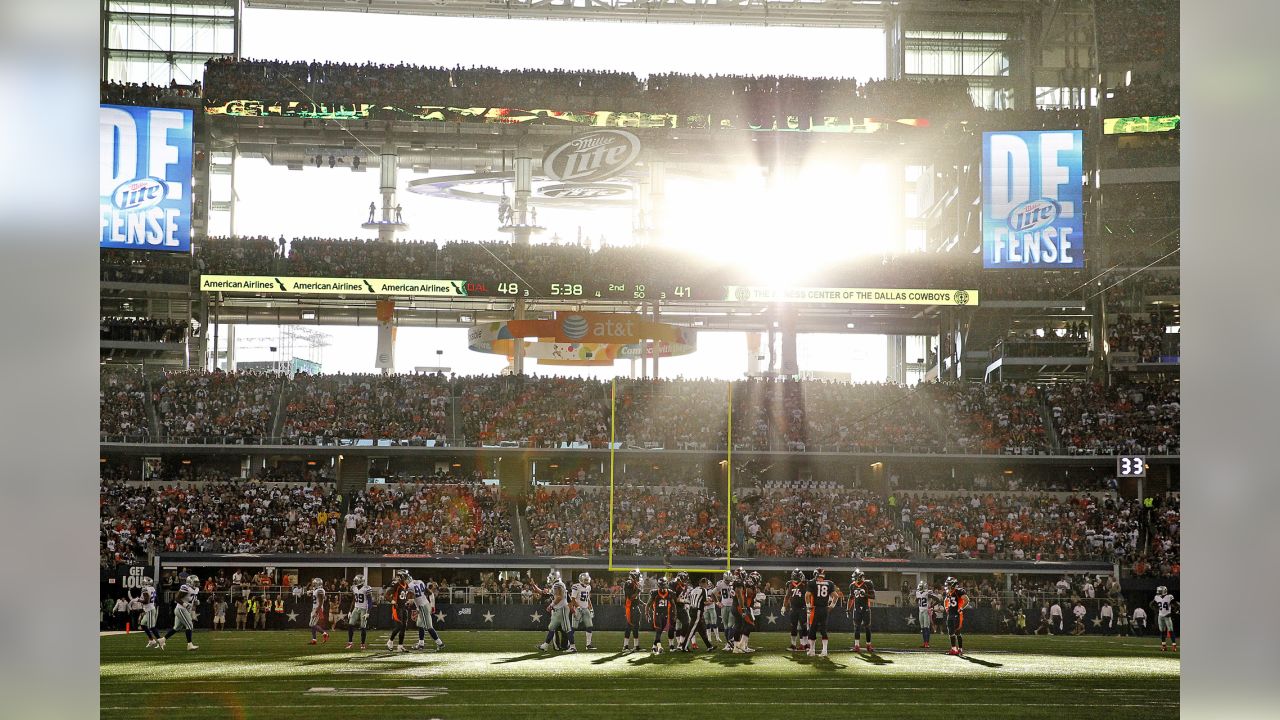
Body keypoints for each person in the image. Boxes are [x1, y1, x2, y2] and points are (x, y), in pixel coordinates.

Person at [537, 570, 574, 653]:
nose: (549, 579)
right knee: (552, 627)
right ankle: (545, 646)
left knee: (567, 628)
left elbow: (559, 597)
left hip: (562, 608)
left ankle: (572, 647)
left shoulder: (557, 584)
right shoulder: (557, 584)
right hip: (558, 609)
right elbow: (546, 593)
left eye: (550, 578)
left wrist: (551, 605)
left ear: (554, 577)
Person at [160, 573, 199, 651]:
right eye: (195, 582)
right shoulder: (185, 587)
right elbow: (177, 599)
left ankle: (162, 640)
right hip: (181, 609)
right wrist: (185, 605)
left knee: (176, 628)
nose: (197, 583)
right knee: (190, 625)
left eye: (197, 582)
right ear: (190, 582)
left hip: (185, 610)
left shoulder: (196, 589)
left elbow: (192, 599)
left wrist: (196, 602)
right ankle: (189, 645)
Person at [805, 567, 838, 657]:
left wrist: (808, 606)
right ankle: (824, 651)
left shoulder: (812, 582)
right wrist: (831, 606)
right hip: (824, 609)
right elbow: (836, 596)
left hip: (815, 609)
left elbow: (807, 595)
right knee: (823, 630)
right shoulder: (830, 583)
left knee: (812, 630)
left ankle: (812, 650)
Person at [409, 575, 445, 651]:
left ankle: (440, 643)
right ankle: (421, 644)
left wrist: (408, 601)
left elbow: (411, 599)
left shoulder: (410, 586)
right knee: (420, 625)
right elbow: (429, 593)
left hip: (422, 607)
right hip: (425, 604)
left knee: (429, 626)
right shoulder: (420, 582)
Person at [682, 576, 715, 652]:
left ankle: (709, 646)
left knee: (702, 630)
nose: (707, 585)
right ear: (704, 584)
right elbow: (704, 602)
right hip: (697, 611)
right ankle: (684, 646)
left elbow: (691, 600)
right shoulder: (703, 590)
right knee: (691, 630)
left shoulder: (694, 590)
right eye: (706, 584)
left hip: (692, 610)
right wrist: (712, 601)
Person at [846, 568, 876, 652]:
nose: (854, 579)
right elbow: (851, 598)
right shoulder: (852, 585)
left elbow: (873, 596)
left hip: (866, 608)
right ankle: (856, 646)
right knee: (856, 627)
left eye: (856, 577)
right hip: (857, 608)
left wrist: (865, 594)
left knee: (867, 627)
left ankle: (868, 645)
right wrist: (848, 609)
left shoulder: (868, 583)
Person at [783, 568, 809, 651]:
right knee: (793, 627)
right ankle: (793, 645)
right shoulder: (789, 584)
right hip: (793, 608)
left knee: (804, 626)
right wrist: (784, 606)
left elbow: (809, 595)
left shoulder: (806, 583)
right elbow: (787, 596)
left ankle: (805, 645)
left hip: (803, 607)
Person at [386, 570, 411, 652]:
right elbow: (386, 595)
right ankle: (390, 641)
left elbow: (405, 596)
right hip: (397, 607)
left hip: (404, 608)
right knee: (399, 625)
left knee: (404, 627)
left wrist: (407, 601)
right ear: (402, 576)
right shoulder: (396, 585)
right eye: (405, 576)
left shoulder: (406, 585)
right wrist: (391, 601)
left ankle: (400, 646)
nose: (407, 578)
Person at [569, 572, 595, 651]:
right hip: (577, 609)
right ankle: (570, 645)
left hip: (585, 608)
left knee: (589, 626)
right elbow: (573, 599)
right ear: (581, 580)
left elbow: (588, 598)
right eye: (585, 580)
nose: (587, 581)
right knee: (573, 627)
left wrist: (591, 608)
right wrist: (578, 607)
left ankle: (588, 644)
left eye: (587, 580)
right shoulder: (576, 586)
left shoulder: (588, 587)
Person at [649, 577, 675, 654]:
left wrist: (675, 613)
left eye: (664, 585)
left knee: (659, 631)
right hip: (657, 614)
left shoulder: (669, 592)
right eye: (661, 585)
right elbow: (648, 604)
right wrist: (647, 612)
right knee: (658, 630)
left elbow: (673, 604)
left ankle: (654, 647)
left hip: (665, 615)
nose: (663, 587)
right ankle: (659, 647)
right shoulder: (655, 593)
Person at [943, 576, 968, 656]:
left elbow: (967, 600)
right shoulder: (949, 592)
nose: (947, 586)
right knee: (952, 632)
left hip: (957, 614)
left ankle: (958, 649)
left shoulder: (959, 591)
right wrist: (946, 607)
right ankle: (955, 649)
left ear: (953, 584)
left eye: (949, 584)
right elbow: (945, 600)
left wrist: (961, 608)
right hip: (951, 614)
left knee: (956, 632)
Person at [346, 573, 372, 650]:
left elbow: (370, 601)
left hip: (364, 609)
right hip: (356, 608)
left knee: (363, 627)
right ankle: (350, 642)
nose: (355, 582)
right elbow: (354, 600)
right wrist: (350, 611)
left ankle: (363, 644)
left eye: (356, 581)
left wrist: (368, 612)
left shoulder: (366, 588)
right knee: (350, 624)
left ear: (361, 581)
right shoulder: (354, 588)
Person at [714, 570, 736, 651]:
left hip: (732, 606)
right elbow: (713, 593)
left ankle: (730, 642)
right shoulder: (720, 583)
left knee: (730, 625)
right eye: (726, 580)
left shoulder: (734, 583)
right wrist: (717, 602)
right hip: (724, 606)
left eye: (729, 580)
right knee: (726, 626)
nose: (728, 582)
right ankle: (728, 643)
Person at [622, 569, 643, 652]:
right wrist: (637, 591)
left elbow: (636, 598)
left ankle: (636, 646)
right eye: (637, 576)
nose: (639, 577)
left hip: (635, 606)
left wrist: (644, 604)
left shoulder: (634, 583)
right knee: (629, 626)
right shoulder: (629, 583)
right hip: (630, 607)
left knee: (636, 626)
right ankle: (625, 646)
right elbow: (630, 597)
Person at [1152, 585, 1178, 651]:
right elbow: (1151, 604)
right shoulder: (1157, 597)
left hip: (1167, 616)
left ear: (1164, 591)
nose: (1158, 592)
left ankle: (1174, 645)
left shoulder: (1169, 597)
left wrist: (1171, 613)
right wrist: (1156, 610)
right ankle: (1164, 646)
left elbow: (1176, 605)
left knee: (1170, 630)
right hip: (1160, 616)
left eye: (1160, 591)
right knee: (1162, 631)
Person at [915, 580, 939, 648]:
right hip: (921, 611)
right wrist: (917, 600)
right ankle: (924, 642)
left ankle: (927, 643)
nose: (919, 588)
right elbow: (917, 600)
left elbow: (937, 600)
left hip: (926, 611)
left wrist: (931, 606)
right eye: (919, 586)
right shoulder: (918, 593)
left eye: (920, 586)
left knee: (926, 628)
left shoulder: (927, 593)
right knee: (922, 628)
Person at [670, 571, 690, 652]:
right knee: (681, 624)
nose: (685, 580)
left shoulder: (684, 585)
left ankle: (680, 643)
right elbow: (675, 599)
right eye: (684, 579)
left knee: (685, 624)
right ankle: (678, 644)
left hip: (681, 607)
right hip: (674, 607)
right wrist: (685, 601)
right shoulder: (673, 584)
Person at [138, 577, 159, 648]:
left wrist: (139, 600)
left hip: (149, 609)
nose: (142, 583)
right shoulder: (152, 588)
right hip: (150, 609)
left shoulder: (145, 589)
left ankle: (160, 641)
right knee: (143, 624)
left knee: (151, 627)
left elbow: (146, 601)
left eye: (144, 582)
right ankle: (151, 640)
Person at [307, 578, 329, 645]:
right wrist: (310, 592)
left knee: (312, 624)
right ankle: (314, 640)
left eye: (314, 583)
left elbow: (321, 602)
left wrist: (317, 611)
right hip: (315, 608)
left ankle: (325, 633)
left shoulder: (320, 590)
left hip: (317, 608)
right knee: (313, 624)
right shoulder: (317, 590)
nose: (313, 584)